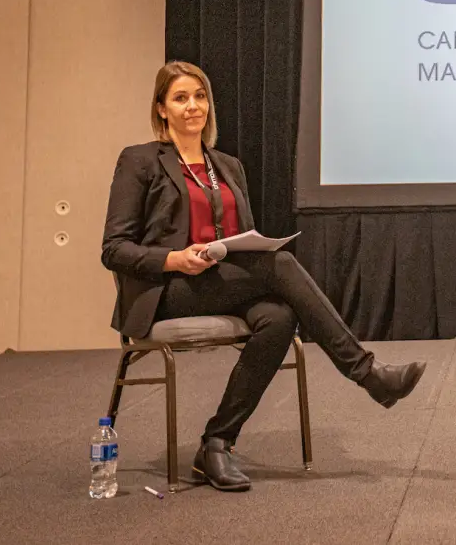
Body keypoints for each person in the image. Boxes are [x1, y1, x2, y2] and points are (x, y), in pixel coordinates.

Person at [102, 61, 427, 492]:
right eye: (180, 98)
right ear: (161, 108)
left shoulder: (228, 166)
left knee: (278, 317)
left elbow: (243, 242)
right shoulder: (141, 160)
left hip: (221, 282)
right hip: (168, 290)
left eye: (199, 97)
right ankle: (367, 374)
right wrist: (174, 259)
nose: (192, 106)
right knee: (283, 265)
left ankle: (216, 442)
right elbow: (114, 248)